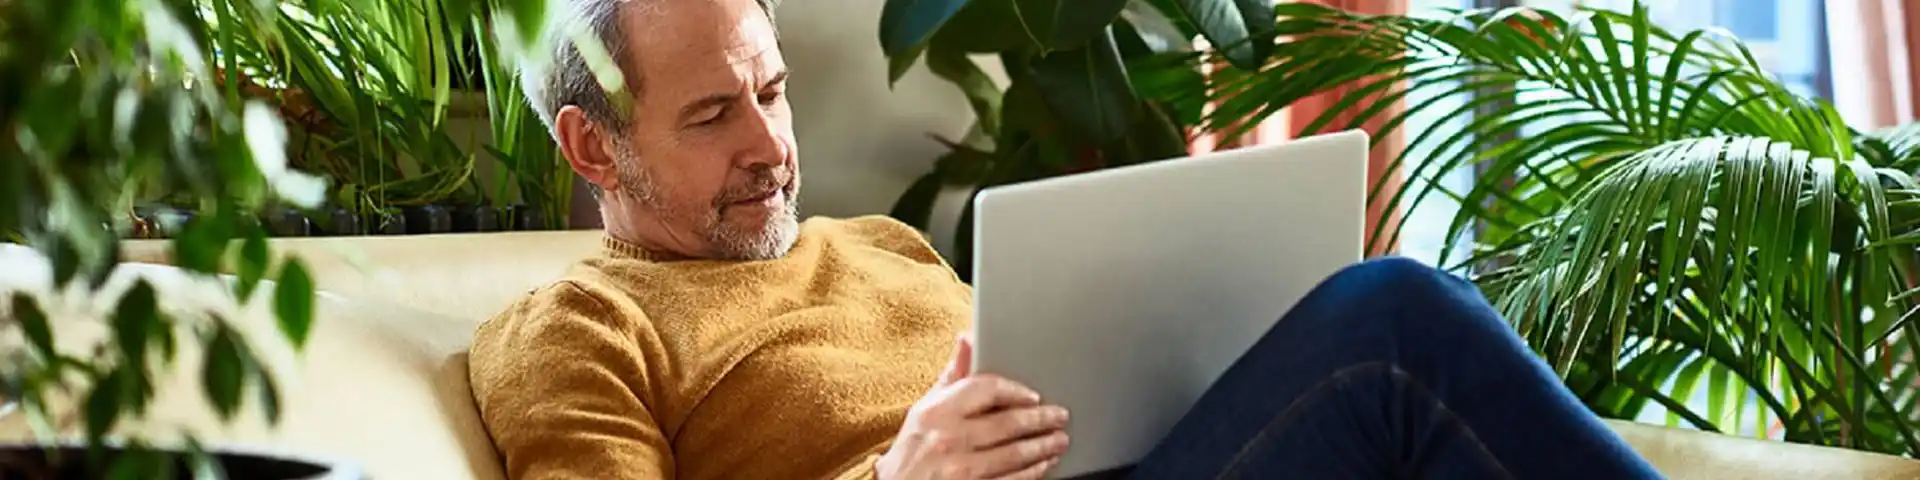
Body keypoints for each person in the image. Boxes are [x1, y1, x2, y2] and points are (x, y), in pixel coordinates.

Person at [464, 0, 1665, 478]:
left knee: (1387, 338)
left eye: (773, 92)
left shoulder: (878, 244)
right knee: (1395, 321)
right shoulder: (576, 327)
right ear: (590, 147)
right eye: (712, 116)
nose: (770, 144)